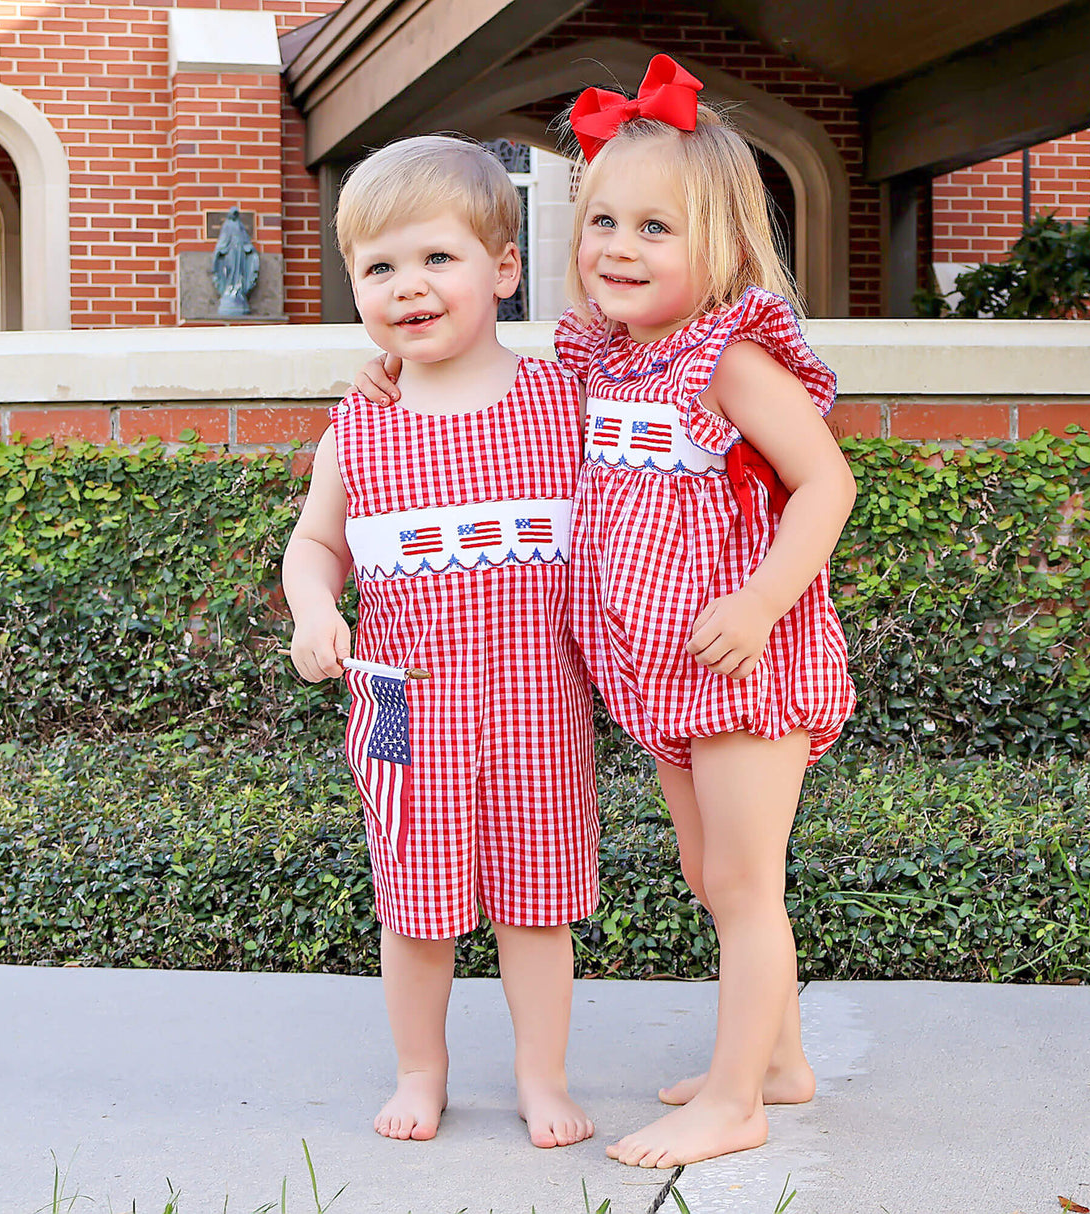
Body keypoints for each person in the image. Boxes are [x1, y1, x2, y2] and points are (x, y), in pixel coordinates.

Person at [355, 56, 856, 1170]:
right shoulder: (608, 360)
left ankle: (735, 1100)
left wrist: (761, 595)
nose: (617, 249)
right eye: (600, 223)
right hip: (663, 668)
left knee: (739, 881)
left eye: (654, 230)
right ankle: (777, 1058)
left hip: (742, 660)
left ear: (720, 245)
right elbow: (481, 381)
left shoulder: (726, 360)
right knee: (704, 868)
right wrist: (392, 364)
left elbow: (826, 483)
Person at [281, 135, 599, 1151]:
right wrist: (311, 610)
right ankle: (422, 1067)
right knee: (414, 907)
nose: (407, 288)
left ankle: (539, 1073)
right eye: (378, 268)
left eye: (436, 260)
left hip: (537, 705)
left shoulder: (562, 398)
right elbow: (316, 542)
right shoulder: (360, 425)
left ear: (503, 270)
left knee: (534, 905)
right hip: (409, 705)